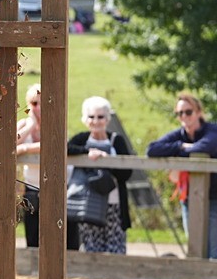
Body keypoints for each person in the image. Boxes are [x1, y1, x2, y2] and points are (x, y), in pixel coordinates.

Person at [147, 93, 217, 259]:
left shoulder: (212, 130)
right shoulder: (179, 135)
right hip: (189, 199)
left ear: (199, 112)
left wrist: (178, 150)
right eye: (180, 113)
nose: (184, 116)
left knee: (213, 248)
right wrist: (180, 145)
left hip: (215, 198)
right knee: (195, 246)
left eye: (188, 112)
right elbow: (152, 149)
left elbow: (203, 148)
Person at [67, 96, 132, 254]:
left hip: (114, 203)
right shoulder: (81, 139)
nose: (96, 121)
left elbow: (127, 172)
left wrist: (106, 162)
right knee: (91, 244)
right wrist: (87, 152)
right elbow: (65, 148)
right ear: (85, 119)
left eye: (100, 117)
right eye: (91, 117)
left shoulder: (117, 141)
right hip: (88, 203)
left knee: (115, 244)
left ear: (107, 119)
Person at [15, 84, 43, 247]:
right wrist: (31, 125)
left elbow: (53, 144)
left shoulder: (53, 124)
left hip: (51, 184)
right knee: (31, 233)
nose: (38, 107)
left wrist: (25, 148)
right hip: (30, 187)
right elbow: (9, 143)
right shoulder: (24, 124)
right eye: (34, 103)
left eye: (41, 103)